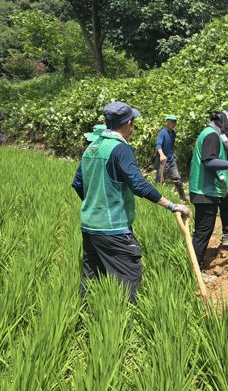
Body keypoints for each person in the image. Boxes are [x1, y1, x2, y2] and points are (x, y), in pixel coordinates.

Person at [71, 101, 190, 302]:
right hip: (114, 229)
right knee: (128, 279)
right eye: (133, 122)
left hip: (90, 226)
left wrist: (95, 206)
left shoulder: (92, 146)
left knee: (91, 280)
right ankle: (121, 327)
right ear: (128, 123)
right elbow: (138, 184)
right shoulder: (119, 149)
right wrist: (171, 205)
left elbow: (77, 183)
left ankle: (86, 324)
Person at [189, 107, 228, 276]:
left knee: (204, 230)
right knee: (203, 231)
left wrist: (227, 175)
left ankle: (197, 265)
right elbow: (209, 161)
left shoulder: (214, 134)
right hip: (203, 191)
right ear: (224, 120)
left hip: (207, 189)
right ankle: (196, 270)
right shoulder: (211, 135)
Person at [155, 114, 187, 202]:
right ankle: (158, 200)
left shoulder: (173, 133)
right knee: (160, 181)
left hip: (171, 160)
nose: (172, 123)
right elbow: (158, 145)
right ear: (166, 122)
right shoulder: (162, 133)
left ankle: (183, 197)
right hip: (163, 161)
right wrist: (161, 155)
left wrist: (172, 154)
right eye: (170, 121)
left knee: (177, 178)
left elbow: (171, 145)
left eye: (173, 122)